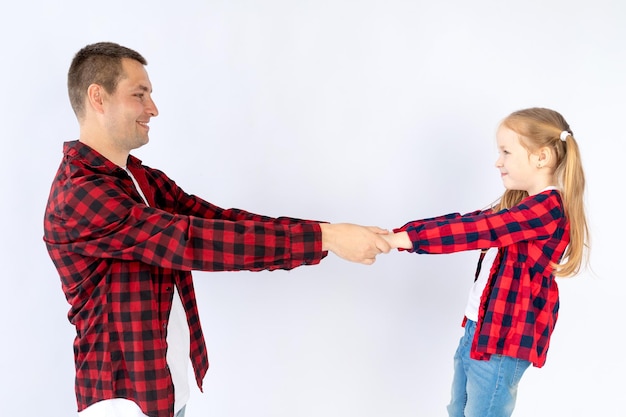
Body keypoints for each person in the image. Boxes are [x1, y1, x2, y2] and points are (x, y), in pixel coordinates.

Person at [43, 41, 391, 417]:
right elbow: (192, 241)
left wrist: (329, 231)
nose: (153, 109)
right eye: (138, 95)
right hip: (121, 404)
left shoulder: (140, 178)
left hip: (165, 393)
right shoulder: (78, 195)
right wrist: (328, 238)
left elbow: (218, 222)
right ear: (98, 97)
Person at [382, 107, 589, 417]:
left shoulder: (547, 209)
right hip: (479, 331)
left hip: (502, 342)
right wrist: (401, 234)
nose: (498, 161)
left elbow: (478, 231)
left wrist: (407, 239)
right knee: (458, 409)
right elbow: (470, 221)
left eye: (506, 152)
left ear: (541, 157)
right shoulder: (521, 205)